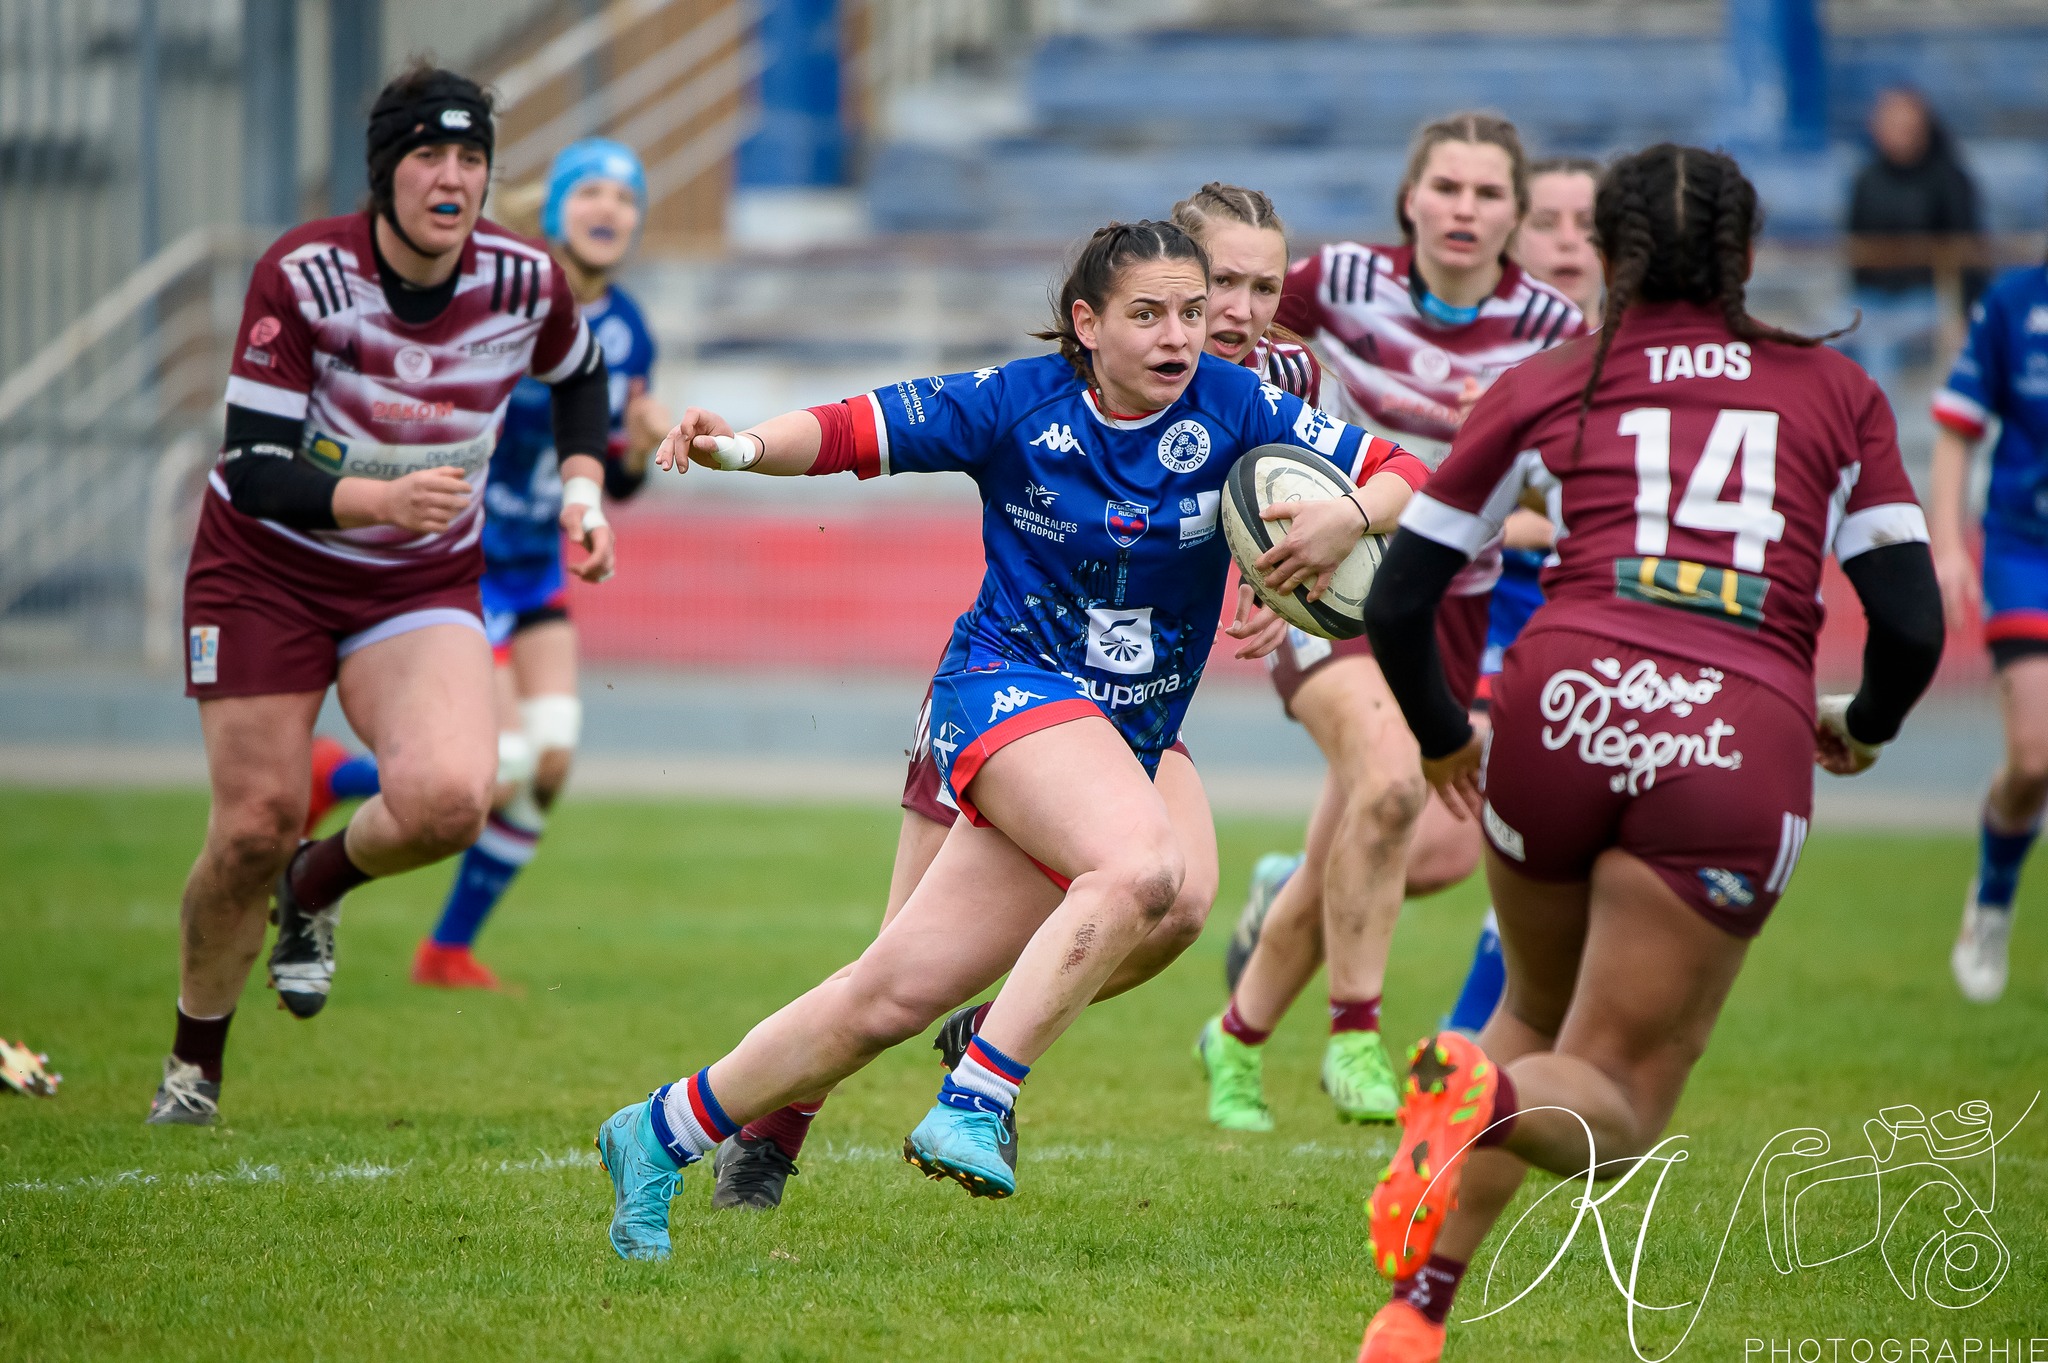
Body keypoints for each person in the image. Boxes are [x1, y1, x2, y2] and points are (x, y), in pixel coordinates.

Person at [593, 219, 1403, 1259]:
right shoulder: (1015, 404)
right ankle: (980, 1093)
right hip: (1003, 690)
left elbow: (1400, 473)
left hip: (1124, 729)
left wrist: (1347, 519)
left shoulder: (1238, 406)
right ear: (1085, 322)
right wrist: (741, 445)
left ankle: (658, 1132)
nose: (1178, 336)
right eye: (1148, 315)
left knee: (888, 993)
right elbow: (850, 430)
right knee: (1145, 864)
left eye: (1193, 315)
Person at [1351, 143, 1944, 1362]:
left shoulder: (1549, 379)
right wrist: (1864, 727)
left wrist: (1445, 734)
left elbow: (1399, 598)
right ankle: (1482, 1101)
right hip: (1733, 733)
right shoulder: (1831, 392)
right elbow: (1914, 623)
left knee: (1528, 1004)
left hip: (1559, 707)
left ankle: (1418, 1308)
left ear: (1610, 255)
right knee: (1614, 1108)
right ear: (1742, 254)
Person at [146, 64, 616, 1126]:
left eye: (470, 158)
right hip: (265, 567)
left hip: (415, 577)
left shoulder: (524, 280)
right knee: (253, 822)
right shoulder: (304, 273)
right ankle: (192, 1069)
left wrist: (585, 495)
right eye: (427, 156)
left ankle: (315, 888)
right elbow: (254, 461)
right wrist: (375, 497)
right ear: (385, 172)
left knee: (456, 796)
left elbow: (581, 375)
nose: (451, 178)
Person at [1197, 113, 1585, 1133]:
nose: (1463, 209)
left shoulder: (1551, 329)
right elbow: (1231, 351)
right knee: (1387, 780)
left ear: (1514, 213)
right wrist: (1250, 539)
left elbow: (1567, 479)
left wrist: (1504, 496)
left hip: (1453, 604)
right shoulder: (1338, 282)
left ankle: (1232, 1039)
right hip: (1331, 580)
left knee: (1398, 832)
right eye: (1444, 188)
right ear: (1408, 197)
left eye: (1486, 193)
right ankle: (1352, 1038)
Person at [307, 138, 669, 989]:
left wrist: (644, 446)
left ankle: (447, 949)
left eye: (626, 197)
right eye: (593, 193)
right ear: (556, 211)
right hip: (460, 560)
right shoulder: (503, 298)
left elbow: (613, 475)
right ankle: (336, 775)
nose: (610, 209)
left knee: (549, 760)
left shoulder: (630, 328)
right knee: (498, 762)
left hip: (532, 564)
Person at [1446, 154, 1604, 1034]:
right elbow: (1455, 498)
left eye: (1590, 224)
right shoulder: (1486, 359)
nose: (1571, 241)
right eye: (1550, 222)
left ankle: (1470, 1039)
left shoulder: (1630, 358)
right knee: (1442, 837)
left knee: (1546, 835)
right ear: (1513, 235)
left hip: (1582, 623)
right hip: (1485, 620)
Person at [1932, 245, 2048, 1002]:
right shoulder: (2014, 303)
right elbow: (1958, 428)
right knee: (2036, 758)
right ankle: (1994, 897)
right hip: (2025, 549)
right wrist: (1947, 545)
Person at [1843, 88, 1983, 398]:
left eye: (1907, 124)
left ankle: (1879, 439)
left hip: (1925, 300)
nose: (1899, 133)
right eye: (1890, 123)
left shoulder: (1949, 179)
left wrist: (1964, 313)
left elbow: (1969, 252)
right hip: (1870, 300)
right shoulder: (1866, 180)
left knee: (1878, 343)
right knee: (1812, 337)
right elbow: (1855, 249)